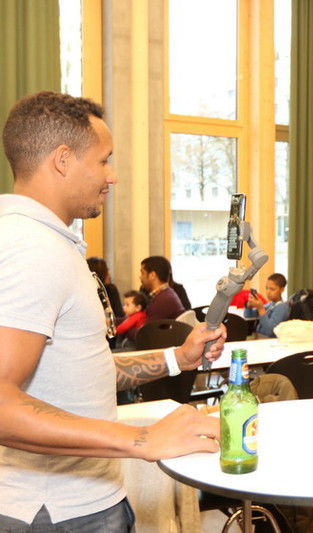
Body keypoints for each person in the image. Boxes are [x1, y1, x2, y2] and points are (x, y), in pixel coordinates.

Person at [0, 91, 226, 531]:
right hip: (56, 512)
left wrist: (176, 358)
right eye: (104, 160)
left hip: (80, 501)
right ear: (63, 160)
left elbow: (81, 368)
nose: (113, 176)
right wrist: (143, 439)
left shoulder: (45, 242)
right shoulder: (31, 247)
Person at [140, 255, 185, 321]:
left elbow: (148, 327)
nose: (140, 277)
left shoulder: (161, 301)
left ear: (152, 275)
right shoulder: (167, 293)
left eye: (142, 273)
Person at [250, 273, 290, 337]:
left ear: (282, 290)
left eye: (272, 289)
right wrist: (249, 306)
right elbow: (249, 315)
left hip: (268, 339)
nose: (268, 292)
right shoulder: (270, 304)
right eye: (266, 288)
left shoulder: (282, 307)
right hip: (259, 336)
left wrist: (261, 309)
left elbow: (270, 331)